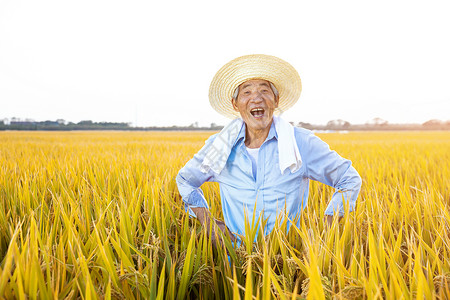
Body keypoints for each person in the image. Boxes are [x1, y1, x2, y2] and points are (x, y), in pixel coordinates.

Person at [176, 54, 362, 245]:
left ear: (276, 100)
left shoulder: (301, 143)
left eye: (264, 91)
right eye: (246, 92)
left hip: (287, 262)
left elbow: (349, 178)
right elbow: (185, 181)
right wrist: (209, 225)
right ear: (235, 104)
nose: (256, 98)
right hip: (235, 263)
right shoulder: (219, 147)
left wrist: (327, 229)